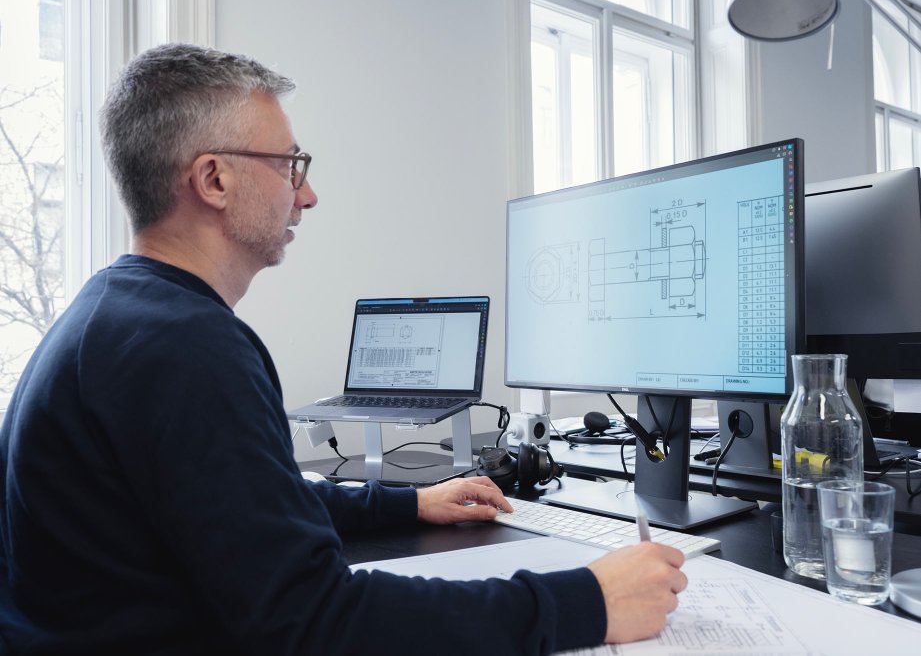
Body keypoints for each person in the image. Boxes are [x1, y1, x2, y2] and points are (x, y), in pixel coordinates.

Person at [0, 43, 686, 655]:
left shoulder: (116, 313)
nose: (307, 194)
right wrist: (586, 601)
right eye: (288, 165)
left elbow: (246, 505)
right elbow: (314, 622)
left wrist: (405, 505)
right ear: (213, 180)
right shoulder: (187, 347)